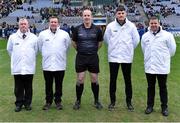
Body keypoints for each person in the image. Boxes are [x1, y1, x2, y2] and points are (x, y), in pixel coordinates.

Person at [103, 5, 140, 111]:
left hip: (126, 57)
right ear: (116, 14)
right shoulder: (110, 26)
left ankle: (129, 103)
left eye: (122, 13)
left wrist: (128, 49)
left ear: (126, 14)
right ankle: (112, 102)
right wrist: (114, 49)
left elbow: (136, 40)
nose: (121, 15)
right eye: (119, 13)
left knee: (127, 80)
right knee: (112, 80)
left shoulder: (131, 26)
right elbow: (106, 39)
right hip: (114, 57)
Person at [141, 16, 176, 116]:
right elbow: (144, 50)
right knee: (150, 87)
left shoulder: (167, 35)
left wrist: (163, 59)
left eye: (155, 23)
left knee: (163, 87)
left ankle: (164, 107)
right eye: (151, 23)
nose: (153, 25)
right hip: (150, 67)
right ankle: (149, 106)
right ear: (149, 24)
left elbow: (172, 50)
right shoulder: (145, 36)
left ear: (159, 23)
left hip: (162, 67)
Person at [72, 9, 103, 110]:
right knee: (80, 79)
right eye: (85, 15)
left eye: (88, 15)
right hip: (81, 57)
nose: (86, 17)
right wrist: (81, 50)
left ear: (91, 17)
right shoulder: (77, 29)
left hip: (93, 57)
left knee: (94, 78)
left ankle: (96, 100)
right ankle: (78, 101)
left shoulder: (97, 29)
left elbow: (100, 44)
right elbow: (74, 43)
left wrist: (92, 50)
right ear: (82, 17)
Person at [38, 16, 71, 110]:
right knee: (48, 85)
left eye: (55, 22)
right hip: (47, 65)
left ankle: (58, 102)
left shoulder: (65, 34)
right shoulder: (42, 34)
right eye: (51, 22)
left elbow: (67, 48)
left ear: (58, 23)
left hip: (60, 64)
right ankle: (48, 102)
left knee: (59, 84)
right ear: (49, 23)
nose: (53, 23)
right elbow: (40, 48)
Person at [7, 18, 38, 112]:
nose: (23, 26)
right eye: (21, 24)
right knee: (18, 87)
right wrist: (17, 58)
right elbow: (9, 50)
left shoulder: (34, 37)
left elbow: (35, 51)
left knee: (28, 87)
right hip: (18, 67)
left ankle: (27, 104)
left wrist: (28, 58)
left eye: (25, 24)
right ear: (18, 25)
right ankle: (19, 104)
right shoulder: (13, 37)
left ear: (28, 25)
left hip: (29, 66)